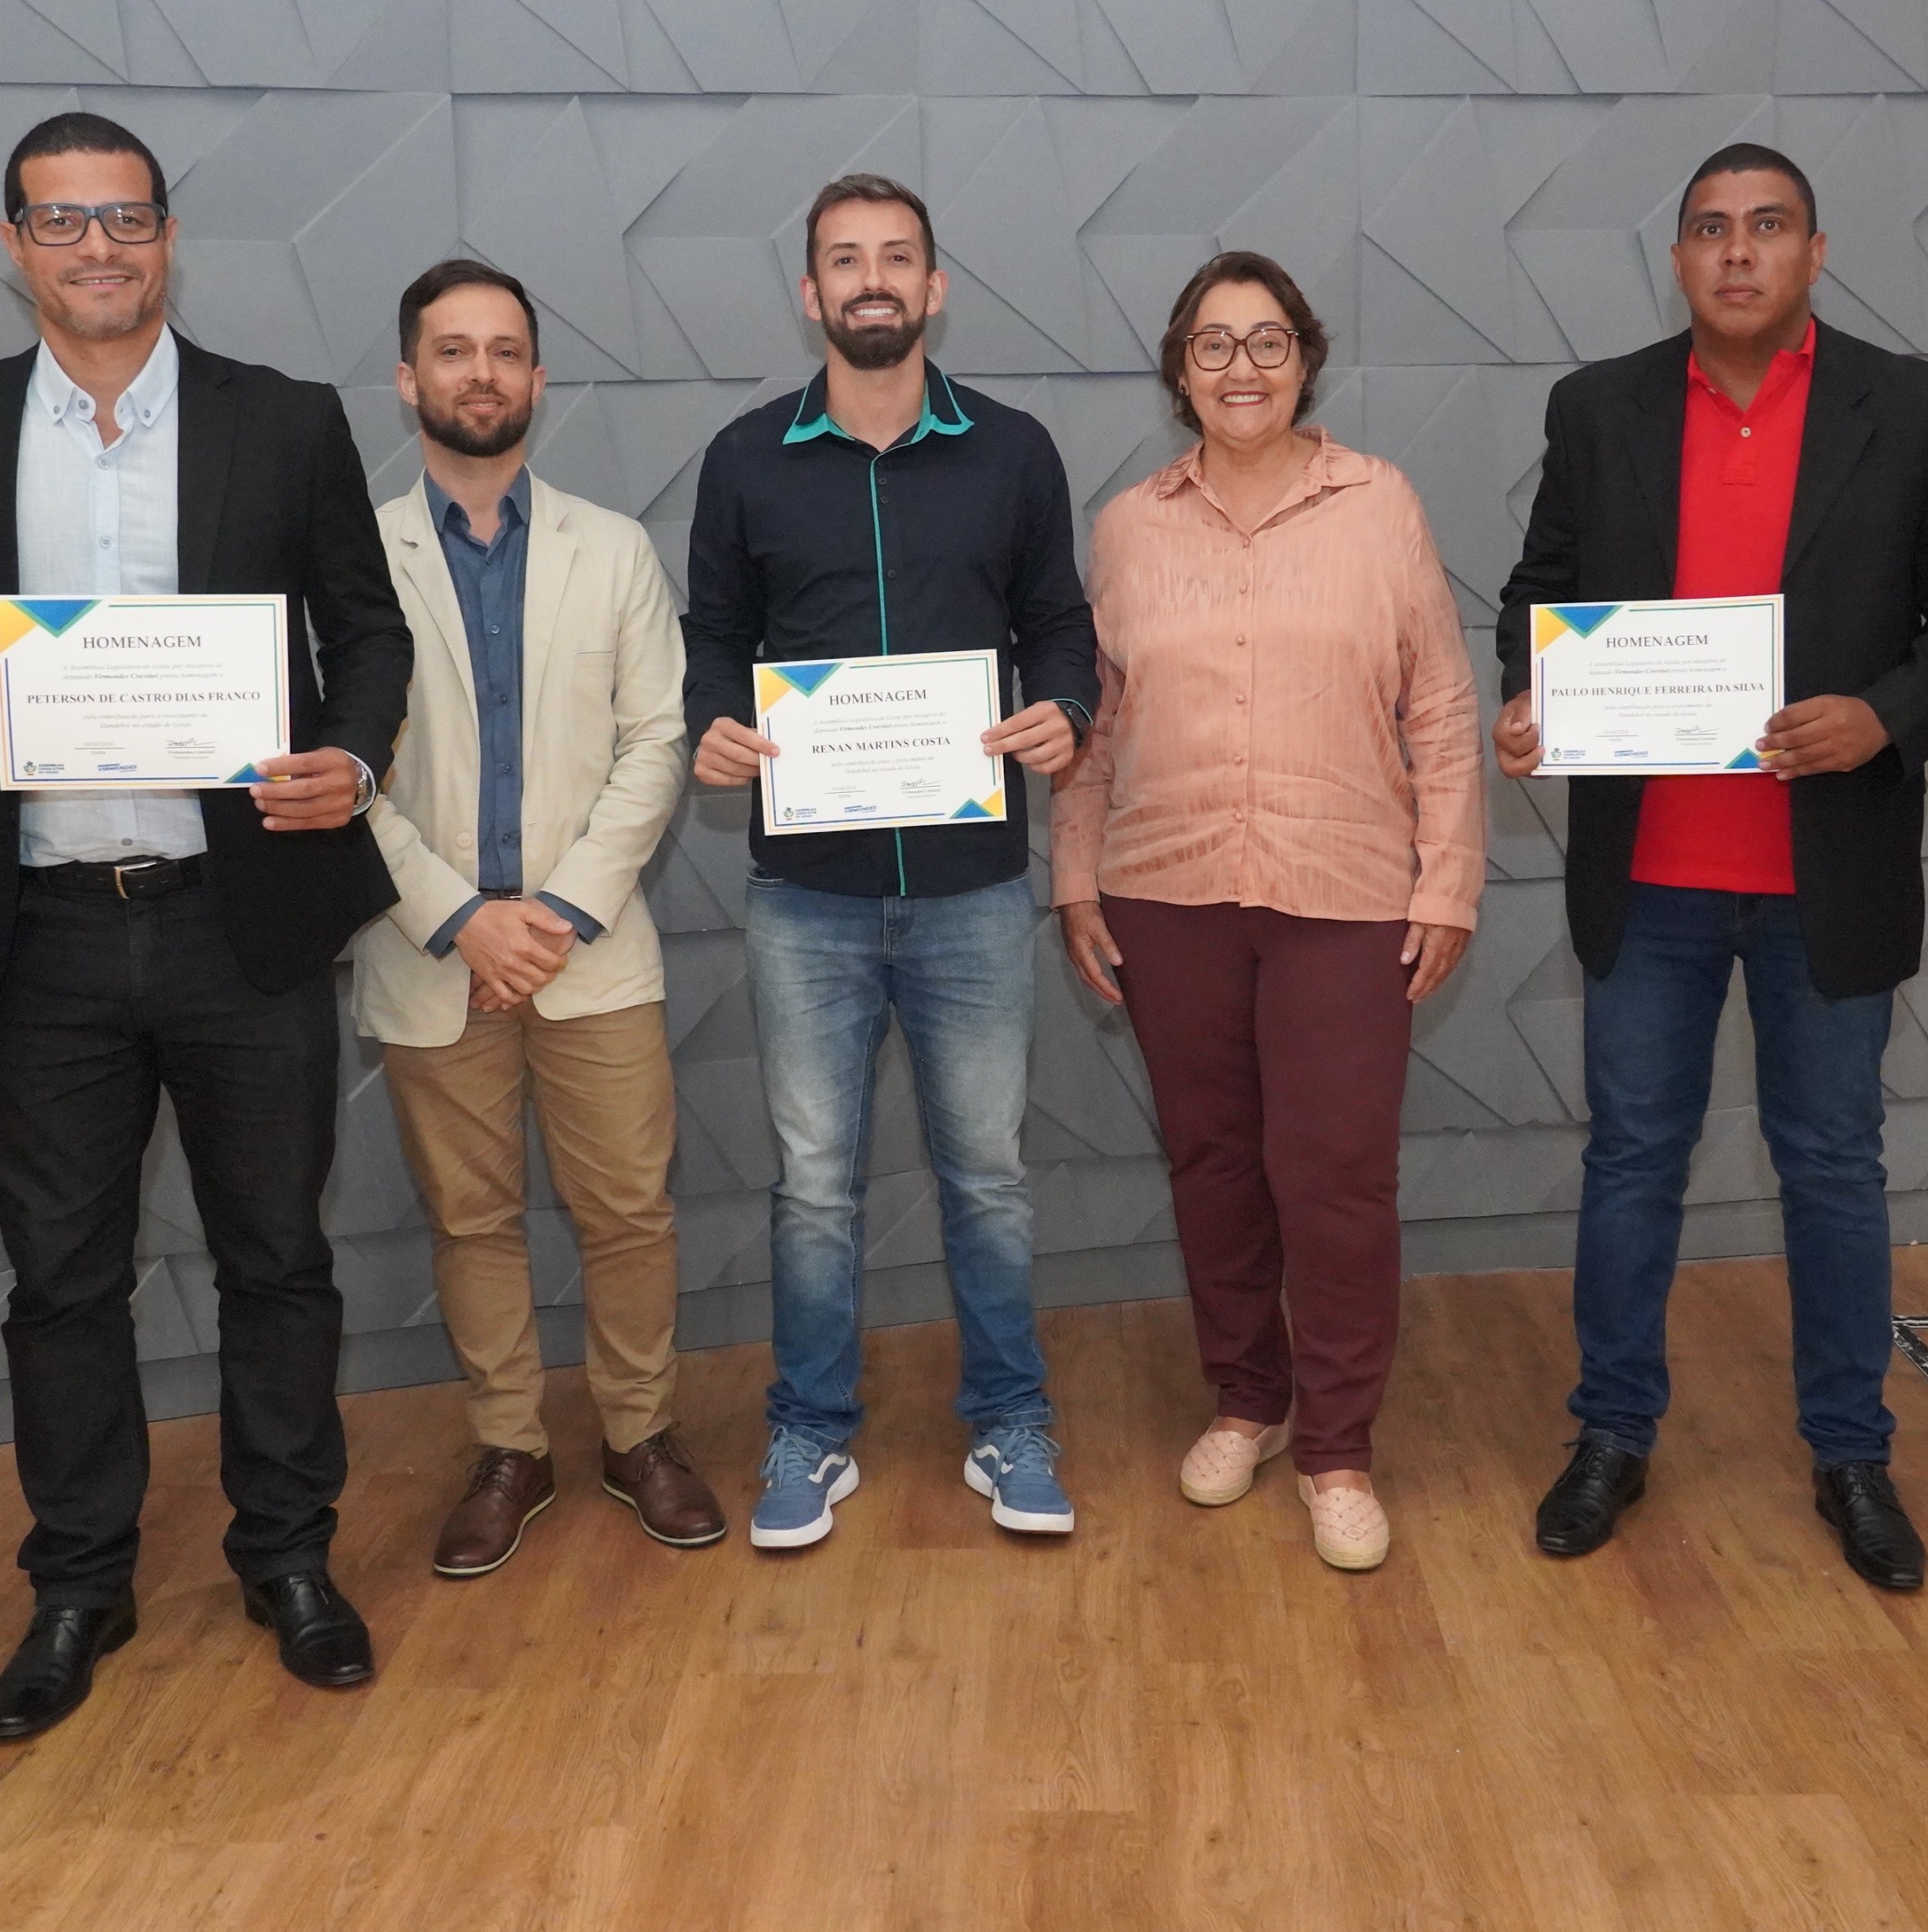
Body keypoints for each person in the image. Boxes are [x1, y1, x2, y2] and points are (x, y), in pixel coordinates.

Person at [0, 112, 413, 1739]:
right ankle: (79, 1582)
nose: (97, 247)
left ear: (168, 234)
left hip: (237, 920)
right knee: (61, 1282)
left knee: (279, 1260)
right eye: (62, 221)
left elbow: (370, 631)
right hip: (36, 934)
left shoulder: (285, 417)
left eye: (125, 217)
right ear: (13, 244)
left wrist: (353, 757)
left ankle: (289, 1556)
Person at [1493, 142, 1928, 1593]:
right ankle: (1611, 1432)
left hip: (1827, 875)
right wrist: (1532, 696)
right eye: (1711, 229)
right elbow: (1540, 592)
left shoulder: (1915, 410)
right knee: (1631, 1161)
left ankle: (1852, 1455)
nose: (1738, 252)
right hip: (1651, 873)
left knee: (1834, 1167)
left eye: (1768, 226)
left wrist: (1884, 717)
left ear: (1815, 251)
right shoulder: (1597, 407)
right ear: (1679, 257)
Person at [683, 171, 1101, 1551]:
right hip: (807, 897)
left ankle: (1012, 1420)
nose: (873, 278)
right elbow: (712, 634)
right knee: (813, 1183)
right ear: (811, 294)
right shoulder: (747, 457)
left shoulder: (1013, 451)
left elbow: (1058, 622)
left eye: (897, 256)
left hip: (974, 890)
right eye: (846, 259)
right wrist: (710, 723)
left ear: (935, 286)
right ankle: (808, 1432)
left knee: (987, 1175)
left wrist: (1068, 705)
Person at [1050, 253, 1482, 1572]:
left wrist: (1448, 879)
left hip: (1345, 896)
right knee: (1216, 1168)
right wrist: (1075, 874)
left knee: (1336, 1178)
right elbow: (1097, 721)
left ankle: (1337, 1448)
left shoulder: (1379, 504)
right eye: (1213, 344)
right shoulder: (1128, 528)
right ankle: (1250, 1398)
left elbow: (1440, 703)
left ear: (1306, 358)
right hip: (1167, 890)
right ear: (1180, 371)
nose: (1242, 367)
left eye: (1268, 341)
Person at [356, 260, 721, 1575]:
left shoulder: (611, 548)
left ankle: (641, 1433)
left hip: (590, 948)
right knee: (472, 1221)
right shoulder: (353, 555)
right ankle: (509, 1446)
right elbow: (337, 767)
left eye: (505, 351)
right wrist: (462, 917)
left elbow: (658, 740)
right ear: (408, 378)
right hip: (432, 950)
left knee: (630, 1212)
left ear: (538, 378)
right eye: (453, 351)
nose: (481, 373)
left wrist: (556, 911)